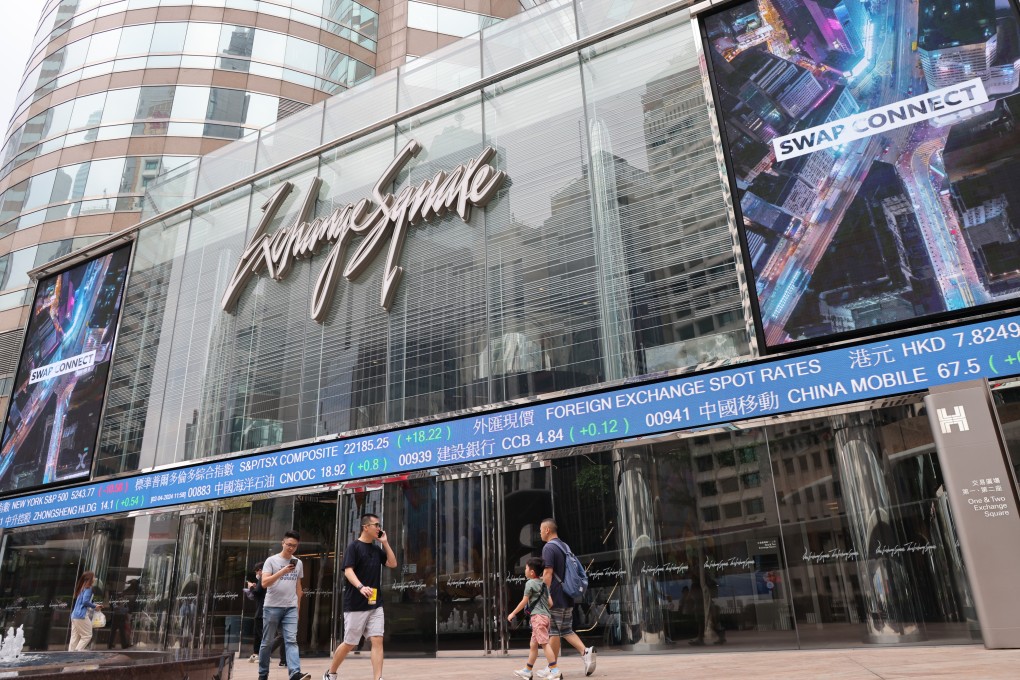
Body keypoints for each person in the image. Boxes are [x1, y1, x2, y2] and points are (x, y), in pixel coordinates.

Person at [323, 513, 397, 680]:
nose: (379, 528)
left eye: (379, 525)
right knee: (350, 643)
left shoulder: (377, 549)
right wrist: (360, 587)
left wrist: (385, 543)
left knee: (377, 640)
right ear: (366, 527)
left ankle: (378, 678)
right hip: (356, 603)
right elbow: (348, 570)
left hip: (375, 603)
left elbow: (392, 563)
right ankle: (331, 673)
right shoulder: (354, 547)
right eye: (376, 525)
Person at [540, 518, 596, 677]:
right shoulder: (564, 546)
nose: (540, 533)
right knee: (563, 630)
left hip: (555, 596)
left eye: (540, 530)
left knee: (554, 631)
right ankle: (585, 653)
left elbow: (548, 573)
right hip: (568, 595)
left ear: (547, 530)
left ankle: (553, 667)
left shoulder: (548, 548)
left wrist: (544, 594)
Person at [259, 530, 311, 680]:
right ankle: (263, 674)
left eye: (294, 546)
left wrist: (298, 607)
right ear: (283, 543)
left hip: (291, 607)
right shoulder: (271, 561)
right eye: (288, 544)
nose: (291, 548)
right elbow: (264, 583)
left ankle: (295, 673)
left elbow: (298, 587)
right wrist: (282, 572)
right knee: (267, 642)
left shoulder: (298, 563)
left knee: (291, 640)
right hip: (272, 607)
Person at [507, 557, 559, 679]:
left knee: (545, 644)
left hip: (538, 618)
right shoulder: (544, 584)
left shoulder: (530, 583)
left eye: (526, 568)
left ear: (531, 572)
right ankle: (527, 670)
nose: (524, 570)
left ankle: (555, 670)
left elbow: (524, 601)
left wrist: (513, 613)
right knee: (533, 645)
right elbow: (550, 603)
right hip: (545, 617)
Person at [69, 571, 102, 651]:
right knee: (87, 635)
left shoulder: (82, 588)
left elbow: (84, 601)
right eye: (94, 577)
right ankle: (76, 653)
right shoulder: (88, 588)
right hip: (81, 615)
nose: (95, 579)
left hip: (74, 615)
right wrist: (95, 606)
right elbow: (85, 602)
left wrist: (93, 604)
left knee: (74, 637)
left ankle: (69, 655)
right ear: (91, 579)